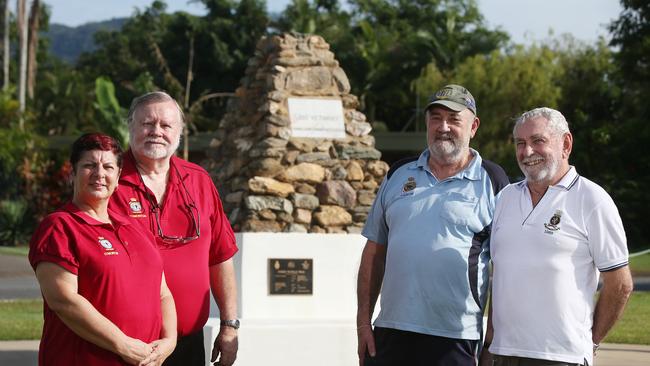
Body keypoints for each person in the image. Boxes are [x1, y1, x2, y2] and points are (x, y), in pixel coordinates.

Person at [356, 84, 509, 366]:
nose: (444, 127)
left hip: (456, 338)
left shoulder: (494, 180)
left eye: (454, 119)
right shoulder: (398, 174)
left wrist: (492, 342)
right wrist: (363, 323)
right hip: (391, 333)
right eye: (436, 118)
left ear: (473, 126)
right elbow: (374, 253)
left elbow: (505, 270)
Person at [485, 107, 634, 366]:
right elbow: (501, 276)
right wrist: (490, 345)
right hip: (504, 354)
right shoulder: (504, 199)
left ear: (565, 144)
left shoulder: (592, 199)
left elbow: (620, 284)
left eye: (538, 141)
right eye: (520, 143)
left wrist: (591, 342)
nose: (527, 152)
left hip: (562, 358)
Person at [109, 91, 239, 366]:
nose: (156, 131)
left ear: (179, 132)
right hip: (127, 347)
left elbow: (221, 257)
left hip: (188, 345)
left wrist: (229, 325)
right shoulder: (109, 181)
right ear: (130, 126)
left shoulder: (199, 180)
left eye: (166, 125)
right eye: (147, 123)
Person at [29, 133, 177, 366]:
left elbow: (163, 293)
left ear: (118, 177)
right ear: (73, 173)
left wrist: (169, 341)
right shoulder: (59, 227)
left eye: (108, 167)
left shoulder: (136, 228)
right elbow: (63, 300)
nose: (99, 174)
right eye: (89, 165)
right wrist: (124, 345)